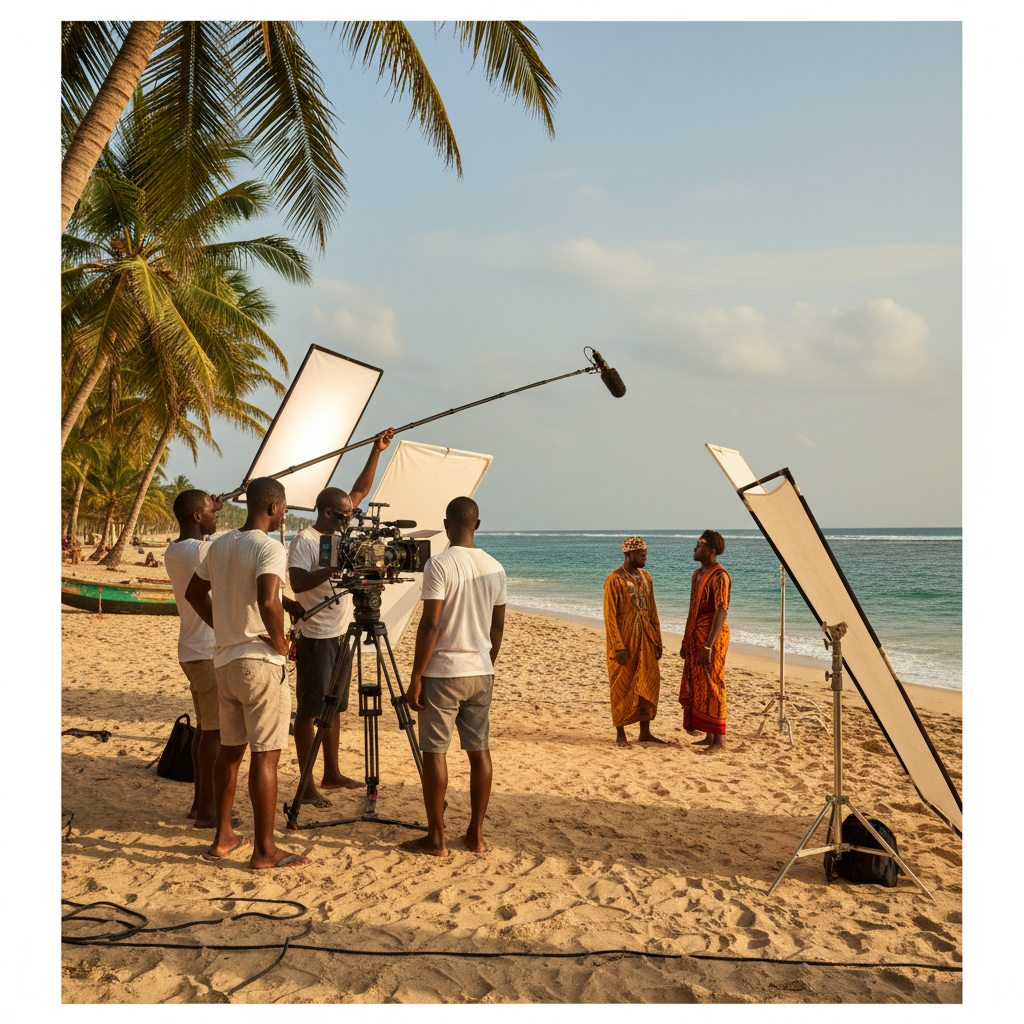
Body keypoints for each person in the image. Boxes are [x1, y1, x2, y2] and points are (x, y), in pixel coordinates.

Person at [185, 476, 309, 870]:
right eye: (284, 506)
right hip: (258, 660)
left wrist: (221, 627)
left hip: (225, 660)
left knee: (231, 751)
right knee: (266, 757)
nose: (285, 512)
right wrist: (280, 642)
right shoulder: (270, 546)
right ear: (273, 507)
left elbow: (193, 593)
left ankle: (223, 837)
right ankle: (265, 850)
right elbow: (268, 597)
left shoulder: (219, 544)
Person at [287, 427, 395, 806]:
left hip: (339, 632)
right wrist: (329, 571)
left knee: (334, 705)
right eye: (344, 514)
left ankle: (331, 773)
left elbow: (360, 491)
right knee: (310, 710)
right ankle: (306, 782)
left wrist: (375, 452)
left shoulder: (342, 528)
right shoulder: (305, 540)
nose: (350, 518)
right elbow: (297, 583)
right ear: (327, 513)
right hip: (315, 635)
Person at [404, 496, 506, 857]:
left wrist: (416, 675)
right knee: (479, 752)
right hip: (480, 671)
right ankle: (475, 836)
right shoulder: (496, 567)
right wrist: (486, 661)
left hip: (444, 671)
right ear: (477, 524)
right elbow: (497, 628)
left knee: (435, 752)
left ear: (447, 525)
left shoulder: (439, 564)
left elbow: (431, 624)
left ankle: (436, 839)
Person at [164, 490, 224, 828]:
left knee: (205, 730)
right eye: (211, 511)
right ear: (197, 517)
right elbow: (236, 543)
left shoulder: (176, 550)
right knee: (215, 733)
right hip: (207, 651)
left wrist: (208, 508)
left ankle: (199, 805)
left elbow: (210, 532)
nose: (217, 514)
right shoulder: (203, 550)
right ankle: (208, 812)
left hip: (192, 649)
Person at [603, 536, 664, 746]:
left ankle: (645, 732)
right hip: (624, 644)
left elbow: (653, 611)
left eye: (646, 553)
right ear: (628, 555)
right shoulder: (614, 579)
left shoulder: (647, 577)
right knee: (621, 686)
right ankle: (621, 734)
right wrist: (618, 647)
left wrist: (657, 639)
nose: (645, 557)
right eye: (641, 554)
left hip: (646, 642)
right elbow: (609, 617)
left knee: (648, 683)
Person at [679, 530, 731, 753]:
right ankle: (709, 735)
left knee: (714, 683)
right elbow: (693, 608)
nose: (694, 548)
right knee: (700, 683)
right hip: (695, 634)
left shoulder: (720, 576)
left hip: (712, 637)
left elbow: (721, 610)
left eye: (699, 544)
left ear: (711, 550)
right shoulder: (697, 574)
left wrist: (708, 645)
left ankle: (719, 741)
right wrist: (685, 639)